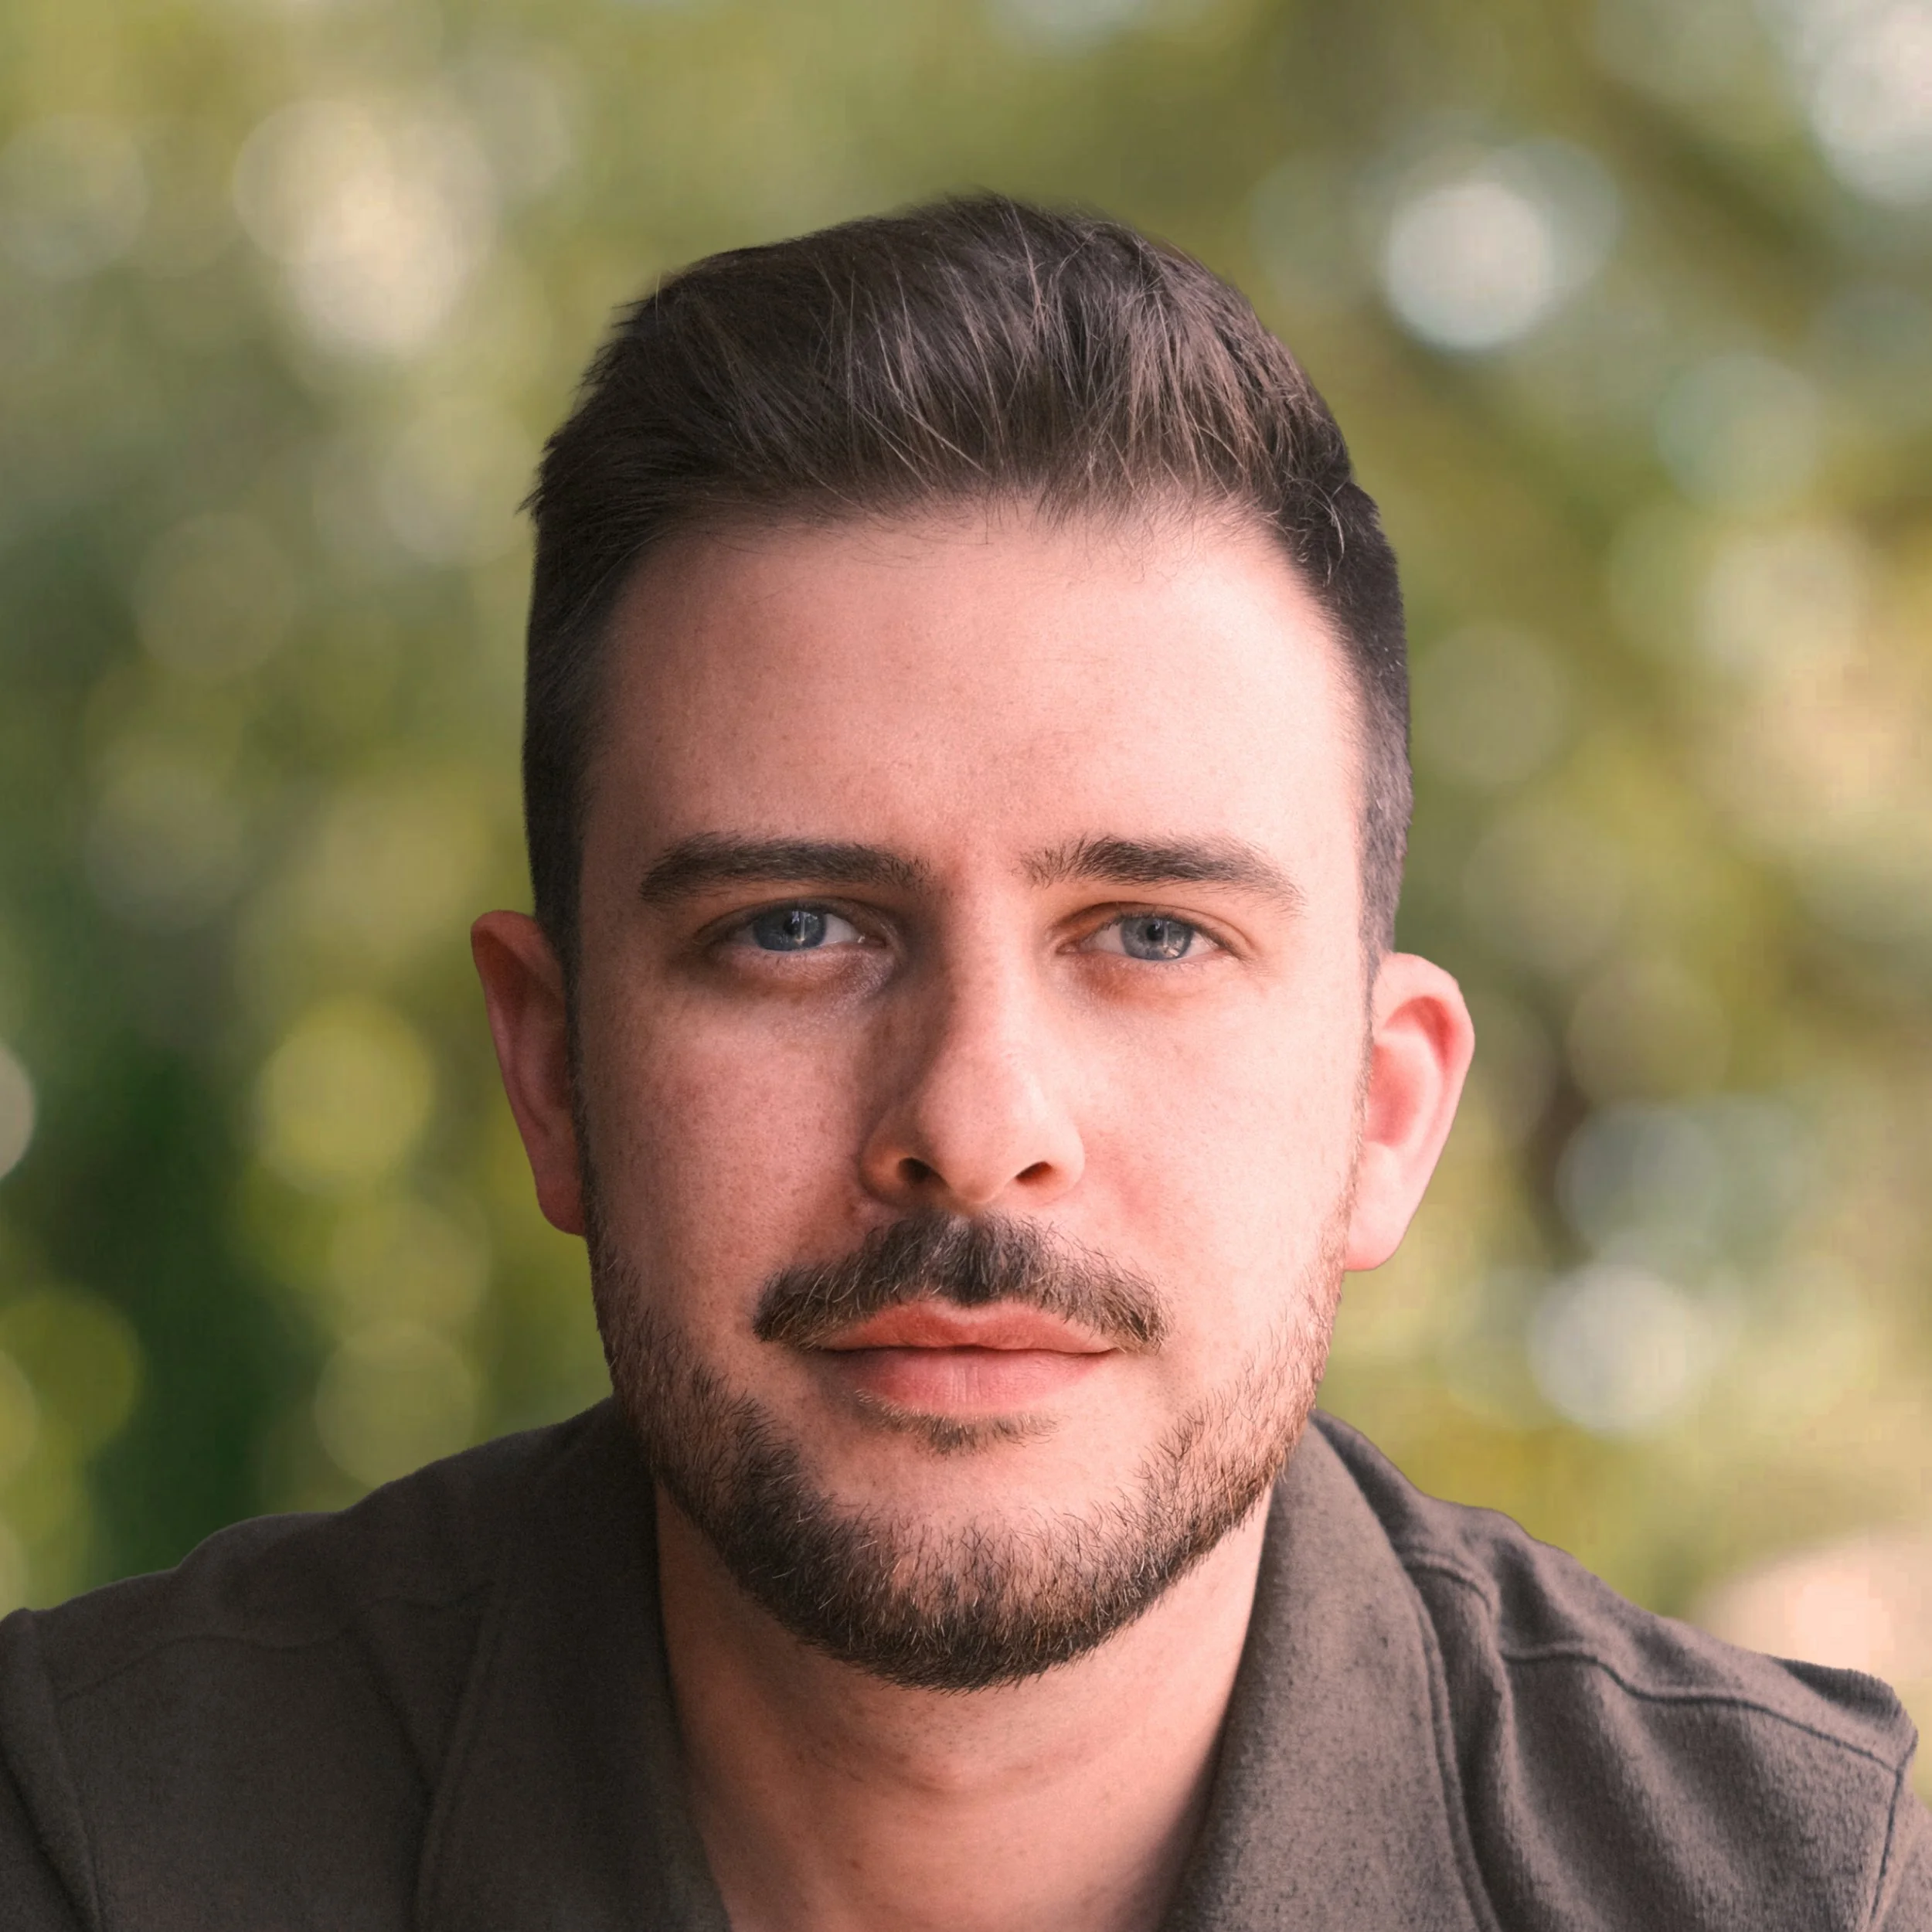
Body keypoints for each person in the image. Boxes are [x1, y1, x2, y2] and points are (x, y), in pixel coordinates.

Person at [1, 196, 1925, 1932]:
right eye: (794, 928)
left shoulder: (1803, 1892)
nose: (972, 1124)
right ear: (554, 1070)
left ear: (1381, 1108)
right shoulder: (90, 1840)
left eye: (1151, 935)